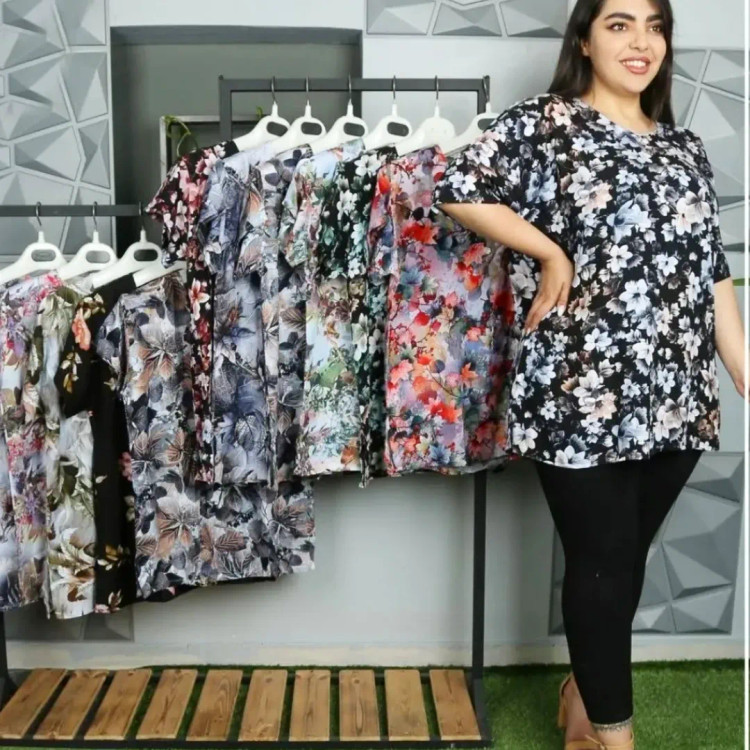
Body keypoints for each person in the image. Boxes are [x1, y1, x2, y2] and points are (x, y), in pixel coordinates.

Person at [432, 0, 747, 748]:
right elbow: (455, 186)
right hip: (579, 390)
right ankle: (615, 738)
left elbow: (711, 268)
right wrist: (550, 252)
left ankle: (580, 689)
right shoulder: (547, 124)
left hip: (678, 394)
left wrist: (740, 363)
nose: (642, 42)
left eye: (655, 26)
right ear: (583, 38)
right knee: (602, 566)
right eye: (619, 23)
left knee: (622, 562)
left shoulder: (684, 146)